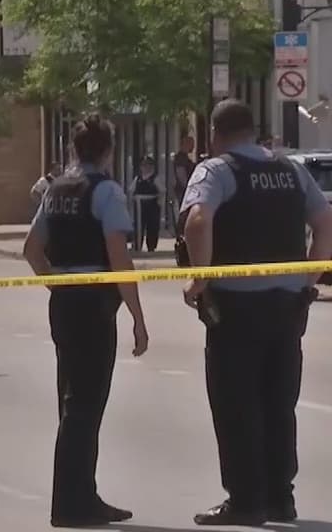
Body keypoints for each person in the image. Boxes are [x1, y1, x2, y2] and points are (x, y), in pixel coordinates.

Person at [179, 99, 332, 526]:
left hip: (236, 308)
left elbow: (197, 221)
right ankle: (280, 497)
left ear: (216, 134)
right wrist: (308, 279)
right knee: (279, 402)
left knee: (236, 402)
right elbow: (326, 224)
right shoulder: (291, 170)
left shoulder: (216, 170)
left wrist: (199, 279)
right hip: (287, 305)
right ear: (253, 129)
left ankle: (246, 500)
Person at [22, 114, 148, 528]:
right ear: (108, 150)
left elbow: (32, 249)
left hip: (65, 302)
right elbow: (119, 256)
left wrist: (57, 285)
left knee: (72, 402)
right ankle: (72, 504)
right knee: (85, 406)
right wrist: (137, 316)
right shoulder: (106, 191)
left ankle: (82, 496)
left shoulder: (56, 189)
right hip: (94, 303)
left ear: (74, 149)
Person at [127, 155, 163, 252]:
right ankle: (137, 245)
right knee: (138, 226)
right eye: (143, 165)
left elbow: (162, 191)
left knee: (152, 226)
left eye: (148, 165)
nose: (146, 167)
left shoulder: (155, 178)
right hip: (140, 205)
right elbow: (131, 190)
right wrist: (132, 200)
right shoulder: (138, 178)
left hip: (151, 204)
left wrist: (159, 201)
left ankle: (151, 246)